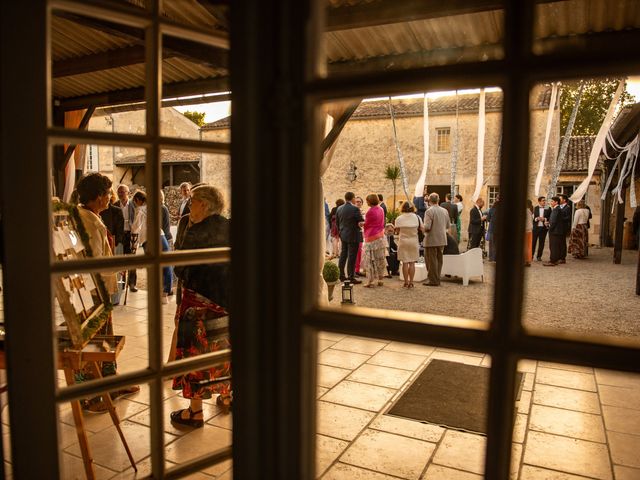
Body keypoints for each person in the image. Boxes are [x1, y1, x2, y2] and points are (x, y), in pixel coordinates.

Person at [75, 173, 139, 409]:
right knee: (95, 342)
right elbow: (93, 261)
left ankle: (110, 384)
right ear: (98, 196)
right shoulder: (88, 220)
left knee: (105, 340)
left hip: (98, 291)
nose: (110, 197)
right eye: (107, 193)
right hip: (93, 293)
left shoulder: (90, 216)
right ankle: (91, 394)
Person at [170, 185, 231, 427]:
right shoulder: (230, 227)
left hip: (198, 306)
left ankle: (195, 412)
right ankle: (226, 397)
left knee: (195, 357)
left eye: (192, 201)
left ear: (204, 205)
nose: (189, 205)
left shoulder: (197, 232)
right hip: (226, 303)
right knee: (224, 351)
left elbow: (180, 268)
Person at [130, 191, 173, 302]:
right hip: (161, 236)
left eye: (135, 202)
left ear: (138, 200)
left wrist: (133, 243)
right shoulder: (154, 207)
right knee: (166, 263)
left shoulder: (140, 209)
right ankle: (165, 293)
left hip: (149, 239)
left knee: (153, 266)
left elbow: (135, 227)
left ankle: (155, 293)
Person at [336, 192, 364, 284]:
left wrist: (341, 232)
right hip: (353, 235)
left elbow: (337, 222)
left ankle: (341, 275)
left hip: (343, 234)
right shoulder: (355, 208)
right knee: (352, 256)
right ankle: (351, 277)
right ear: (352, 198)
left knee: (343, 255)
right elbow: (360, 221)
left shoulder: (339, 208)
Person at [423, 193, 450, 287]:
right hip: (442, 238)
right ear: (438, 200)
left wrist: (421, 228)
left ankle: (433, 280)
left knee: (431, 261)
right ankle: (437, 278)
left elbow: (427, 227)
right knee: (439, 260)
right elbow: (448, 225)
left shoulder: (429, 211)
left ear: (429, 200)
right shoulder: (445, 211)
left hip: (431, 238)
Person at [394, 202, 423, 288]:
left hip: (403, 241)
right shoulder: (417, 217)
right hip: (413, 241)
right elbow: (422, 228)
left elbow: (397, 231)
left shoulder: (399, 218)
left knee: (405, 263)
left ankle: (406, 282)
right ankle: (411, 282)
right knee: (412, 263)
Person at [362, 194, 387, 288]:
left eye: (367, 201)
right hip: (380, 236)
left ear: (370, 201)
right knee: (380, 259)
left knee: (370, 260)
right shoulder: (381, 209)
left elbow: (367, 224)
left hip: (371, 237)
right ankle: (380, 279)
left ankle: (370, 281)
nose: (367, 202)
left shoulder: (369, 211)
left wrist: (361, 224)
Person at [116, 184, 138, 291]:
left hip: (131, 234)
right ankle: (122, 284)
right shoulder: (115, 205)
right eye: (119, 192)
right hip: (120, 235)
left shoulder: (134, 205)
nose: (120, 194)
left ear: (128, 193)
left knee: (132, 260)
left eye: (123, 192)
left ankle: (132, 284)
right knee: (121, 260)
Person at [100, 188, 125, 255]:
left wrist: (116, 242)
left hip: (113, 242)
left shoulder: (116, 210)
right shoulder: (97, 210)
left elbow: (120, 229)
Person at [544, 196, 565, 266]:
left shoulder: (556, 209)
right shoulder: (558, 209)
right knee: (555, 246)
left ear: (556, 202)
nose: (551, 203)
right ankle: (555, 259)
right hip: (557, 230)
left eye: (552, 201)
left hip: (555, 231)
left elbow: (554, 221)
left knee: (553, 246)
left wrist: (549, 226)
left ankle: (552, 260)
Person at [532, 196, 550, 261]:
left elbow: (550, 217)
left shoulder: (548, 208)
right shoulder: (535, 208)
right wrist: (537, 218)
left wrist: (544, 219)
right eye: (543, 200)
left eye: (545, 200)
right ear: (539, 201)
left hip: (543, 228)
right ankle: (531, 255)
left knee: (541, 243)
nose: (544, 202)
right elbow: (533, 218)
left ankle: (539, 256)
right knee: (533, 242)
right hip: (536, 228)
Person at [558, 194, 572, 264]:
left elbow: (568, 218)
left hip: (563, 227)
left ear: (564, 200)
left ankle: (563, 257)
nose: (559, 200)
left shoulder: (567, 208)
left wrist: (560, 219)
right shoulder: (559, 207)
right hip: (558, 228)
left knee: (562, 242)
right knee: (559, 242)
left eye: (560, 199)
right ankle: (559, 256)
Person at [354, 196, 365, 276]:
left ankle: (358, 270)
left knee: (360, 253)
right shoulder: (353, 211)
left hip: (362, 234)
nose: (358, 203)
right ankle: (354, 270)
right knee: (355, 253)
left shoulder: (364, 213)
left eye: (360, 202)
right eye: (357, 201)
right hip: (354, 234)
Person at [524, 199, 534, 266]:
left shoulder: (525, 211)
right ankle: (528, 260)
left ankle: (525, 260)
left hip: (525, 230)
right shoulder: (530, 211)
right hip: (530, 230)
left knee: (525, 246)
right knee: (529, 246)